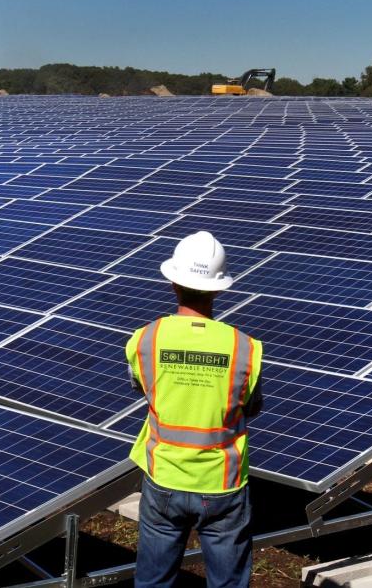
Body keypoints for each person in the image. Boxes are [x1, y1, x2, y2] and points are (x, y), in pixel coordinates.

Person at [126, 231, 263, 588]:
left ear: (173, 282)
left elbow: (144, 389)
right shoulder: (245, 347)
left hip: (164, 479)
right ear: (219, 289)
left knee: (153, 581)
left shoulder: (145, 339)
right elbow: (252, 406)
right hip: (223, 483)